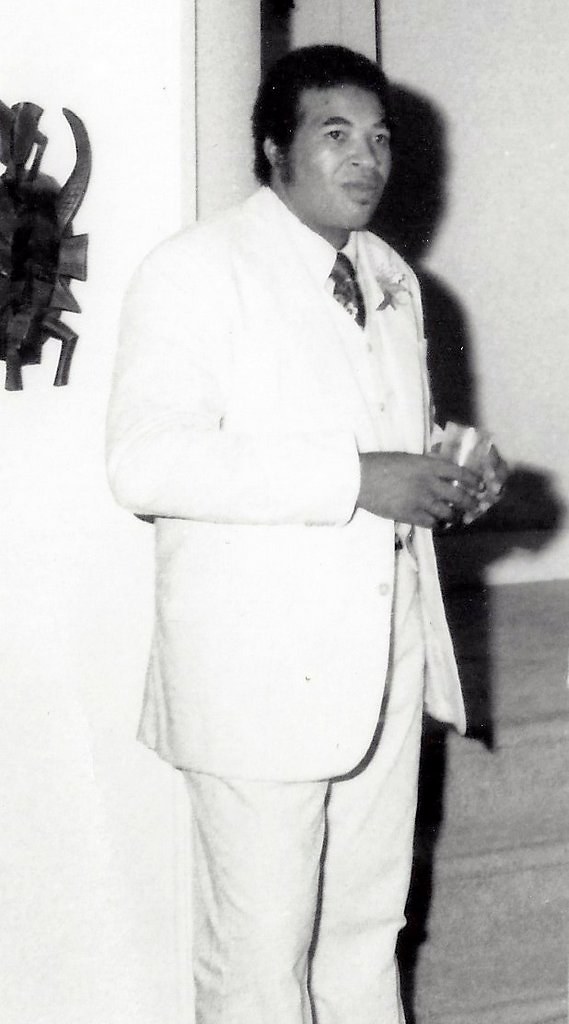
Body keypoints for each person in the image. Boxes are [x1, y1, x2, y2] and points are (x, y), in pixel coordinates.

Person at [106, 44, 502, 1024]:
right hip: (254, 678)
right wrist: (357, 477)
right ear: (273, 149)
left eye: (379, 138)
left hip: (380, 662)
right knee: (258, 966)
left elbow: (381, 444)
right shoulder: (195, 271)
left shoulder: (388, 275)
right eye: (335, 134)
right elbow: (144, 463)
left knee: (364, 939)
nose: (365, 158)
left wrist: (445, 478)